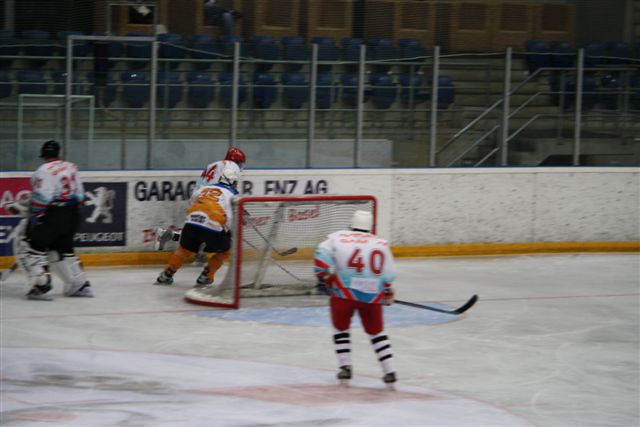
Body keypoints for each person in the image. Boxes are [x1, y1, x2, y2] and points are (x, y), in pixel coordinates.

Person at [313, 210, 397, 387]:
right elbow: (389, 274)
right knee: (377, 332)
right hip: (371, 296)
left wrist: (323, 278)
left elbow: (321, 259)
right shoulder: (381, 243)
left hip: (344, 294)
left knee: (341, 329)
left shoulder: (337, 237)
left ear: (352, 224)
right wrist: (387, 291)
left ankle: (345, 366)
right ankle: (389, 370)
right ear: (370, 227)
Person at [15, 140, 93, 300]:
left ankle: (41, 287)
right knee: (62, 249)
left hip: (53, 215)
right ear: (58, 153)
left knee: (31, 247)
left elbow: (43, 198)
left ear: (43, 155)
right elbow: (80, 196)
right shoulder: (71, 167)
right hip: (73, 215)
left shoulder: (43, 170)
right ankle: (79, 285)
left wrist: (35, 213)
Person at [155, 163, 240, 287]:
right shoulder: (233, 195)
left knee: (184, 249)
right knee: (226, 249)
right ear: (232, 182)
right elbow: (230, 219)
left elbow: (192, 202)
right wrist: (227, 233)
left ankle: (166, 274)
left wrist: (197, 219)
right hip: (212, 227)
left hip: (191, 223)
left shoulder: (205, 188)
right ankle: (206, 275)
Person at [154, 146, 246, 250]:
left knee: (196, 232)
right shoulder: (232, 166)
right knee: (214, 232)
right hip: (211, 201)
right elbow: (230, 190)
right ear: (235, 160)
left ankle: (170, 235)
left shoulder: (213, 165)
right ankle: (203, 250)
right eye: (240, 163)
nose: (240, 167)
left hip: (198, 197)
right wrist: (242, 210)